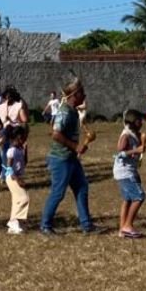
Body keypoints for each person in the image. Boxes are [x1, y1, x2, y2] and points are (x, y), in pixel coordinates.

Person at [40, 79, 97, 235]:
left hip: (70, 158)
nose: (84, 95)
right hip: (61, 158)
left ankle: (86, 225)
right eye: (82, 92)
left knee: (81, 187)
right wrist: (74, 146)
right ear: (75, 95)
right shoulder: (64, 111)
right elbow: (56, 134)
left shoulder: (72, 111)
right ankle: (45, 225)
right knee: (58, 192)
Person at [113, 110, 146, 239]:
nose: (142, 123)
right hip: (124, 171)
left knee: (127, 199)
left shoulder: (133, 134)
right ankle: (128, 225)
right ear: (133, 121)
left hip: (128, 170)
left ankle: (123, 228)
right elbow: (119, 153)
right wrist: (136, 150)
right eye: (139, 120)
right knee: (139, 196)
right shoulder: (126, 135)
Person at [3, 125, 29, 235]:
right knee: (24, 198)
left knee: (16, 200)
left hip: (17, 176)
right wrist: (16, 178)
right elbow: (8, 166)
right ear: (16, 138)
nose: (23, 141)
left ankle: (14, 225)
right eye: (22, 138)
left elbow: (25, 162)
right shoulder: (12, 150)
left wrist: (26, 151)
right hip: (12, 177)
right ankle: (14, 221)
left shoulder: (20, 149)